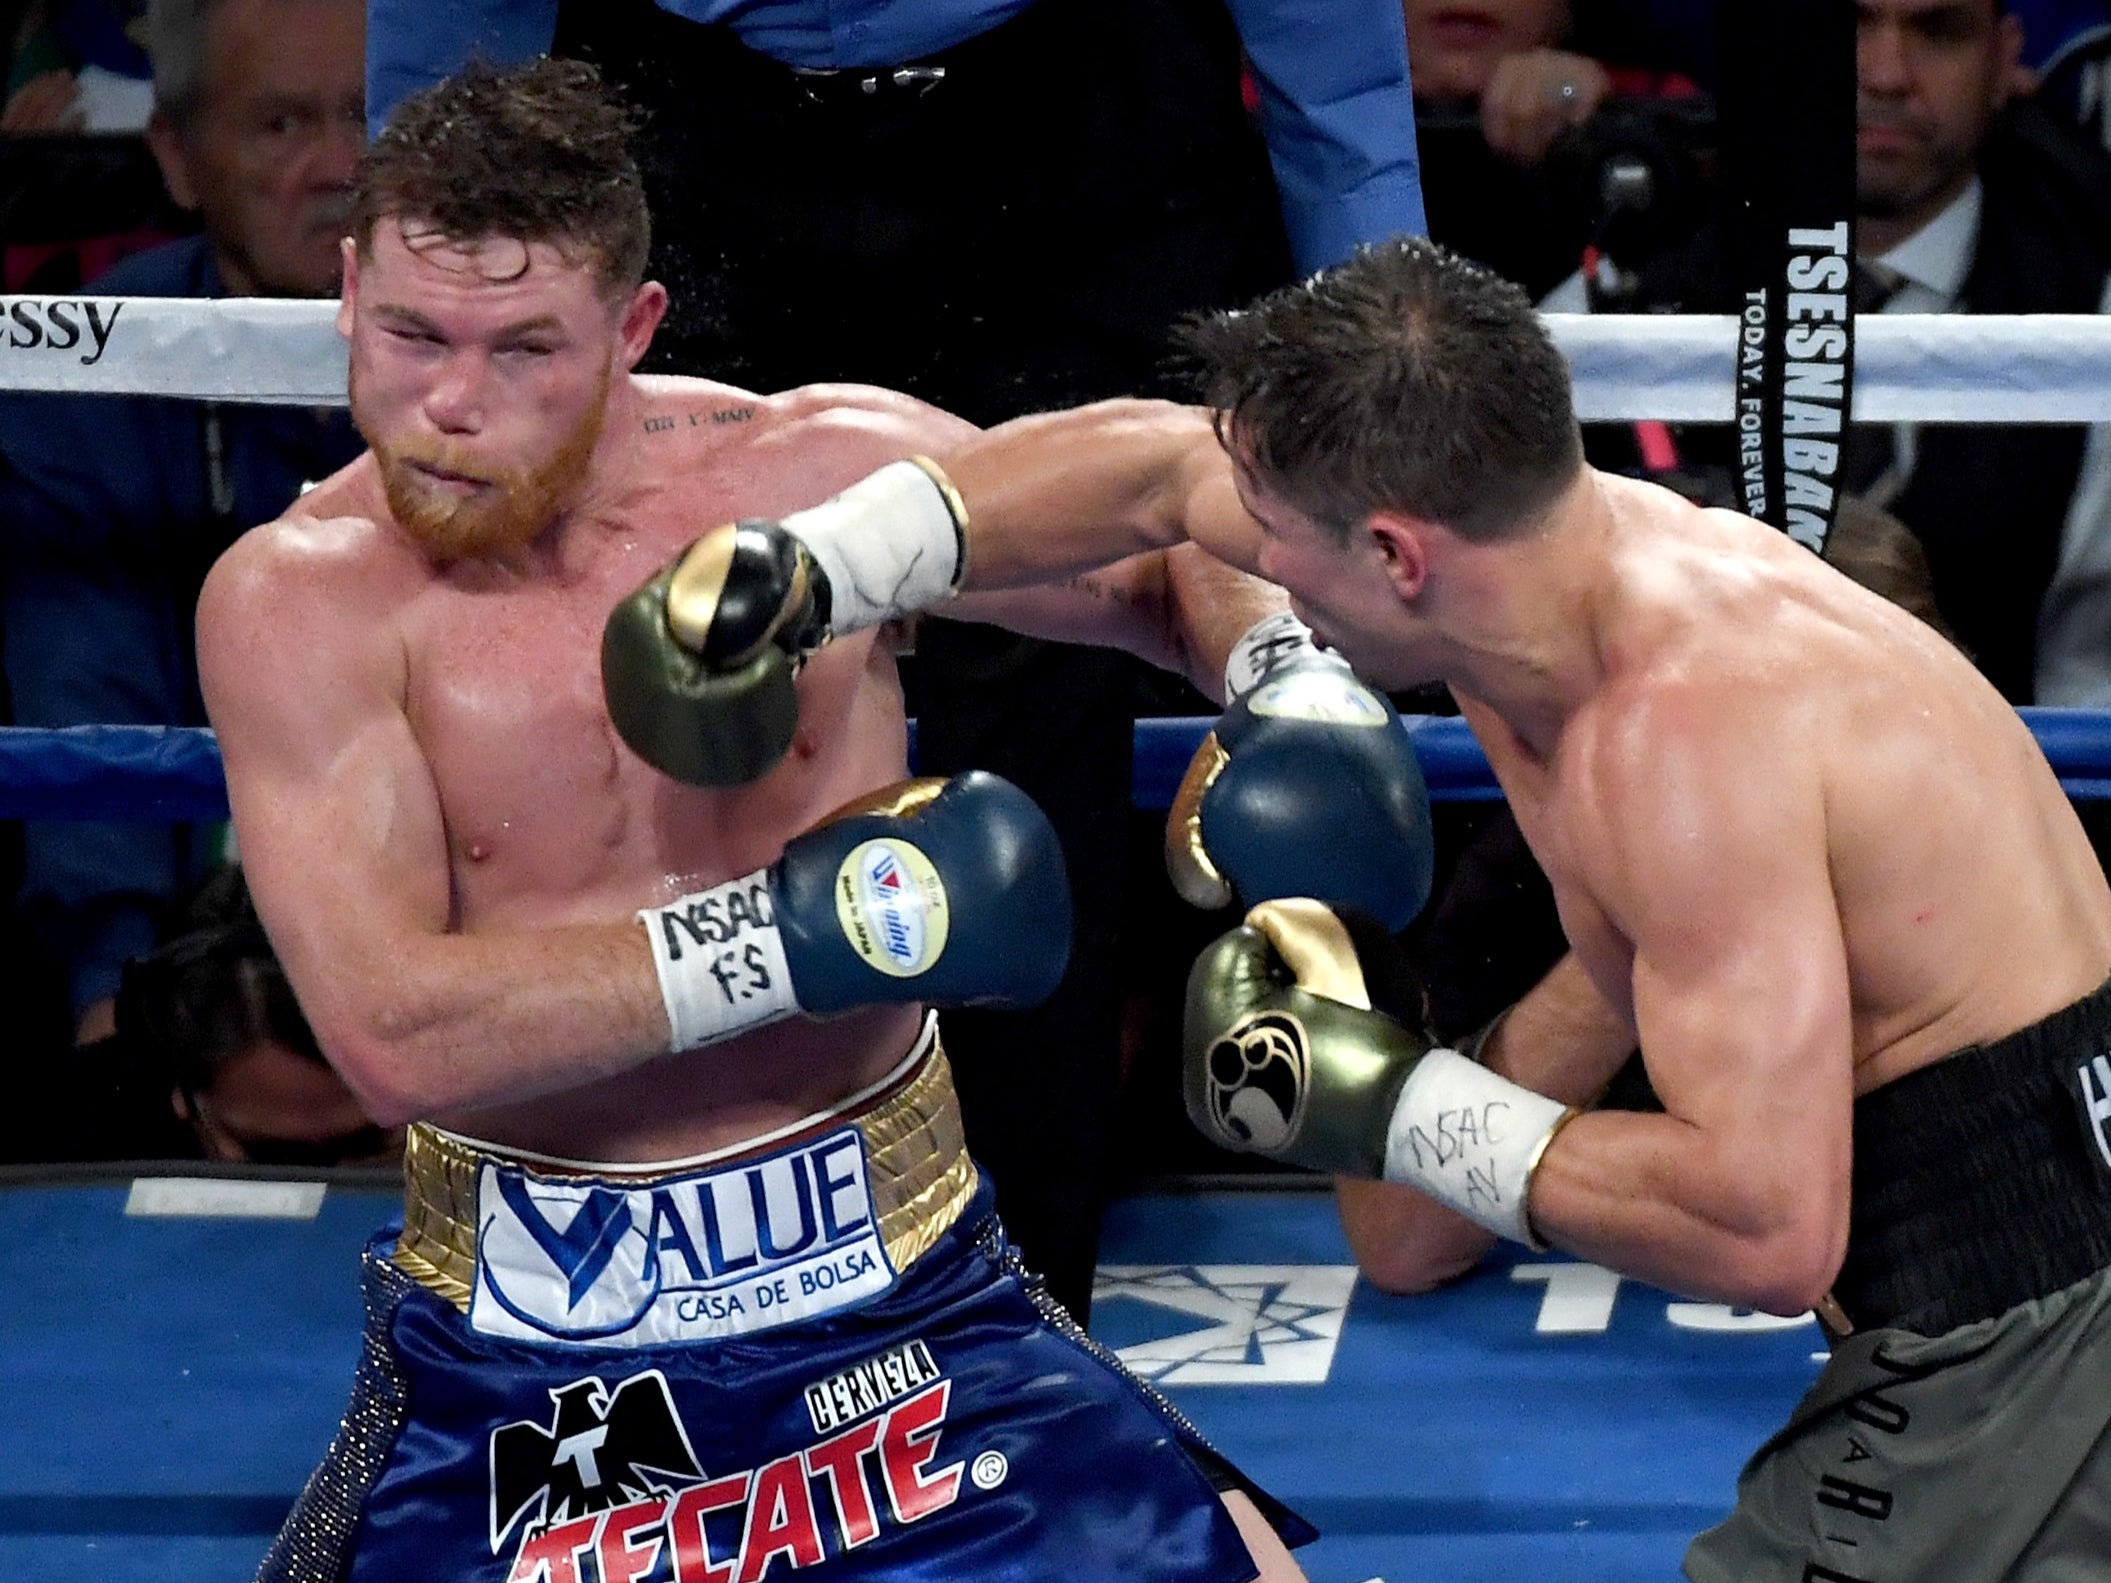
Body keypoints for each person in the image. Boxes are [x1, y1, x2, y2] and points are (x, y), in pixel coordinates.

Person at [198, 56, 1426, 1582]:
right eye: (408, 335)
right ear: (344, 295)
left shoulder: (816, 479)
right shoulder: (300, 601)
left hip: (910, 1296)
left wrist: (1280, 668)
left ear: (633, 332)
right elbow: (393, 1032)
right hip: (537, 1359)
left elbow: (1162, 525)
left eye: (523, 346)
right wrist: (793, 935)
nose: (450, 402)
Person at [722, 236, 2111, 1579]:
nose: (1242, 560)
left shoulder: (1681, 738)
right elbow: (1152, 469)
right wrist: (815, 568)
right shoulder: (1530, 559)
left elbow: (1761, 1228)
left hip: (2015, 1314)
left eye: (1273, 540)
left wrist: (1390, 1106)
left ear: (1392, 554)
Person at [1544, 0, 2111, 714]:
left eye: (1937, 32)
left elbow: (2088, 689)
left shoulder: (2090, 316)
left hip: (1989, 791)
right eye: (1845, 24)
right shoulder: (1621, 293)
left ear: (2004, 60)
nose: (1883, 74)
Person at [0, 0, 365, 1051]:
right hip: (180, 966)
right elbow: (84, 692)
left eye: (369, 119)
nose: (342, 167)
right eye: (283, 127)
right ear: (178, 154)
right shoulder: (95, 373)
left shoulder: (511, 363)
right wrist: (113, 1009)